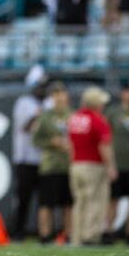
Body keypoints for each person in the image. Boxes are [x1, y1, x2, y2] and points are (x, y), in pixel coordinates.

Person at [68, 86, 118, 246]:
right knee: (95, 201)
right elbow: (105, 145)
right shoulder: (98, 120)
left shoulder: (74, 118)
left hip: (76, 164)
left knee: (79, 202)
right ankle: (90, 236)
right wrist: (110, 166)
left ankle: (76, 236)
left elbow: (69, 143)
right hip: (93, 165)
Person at [31, 81, 73, 244]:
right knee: (46, 203)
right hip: (50, 165)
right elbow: (35, 140)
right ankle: (45, 234)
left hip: (68, 164)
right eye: (55, 94)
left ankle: (68, 233)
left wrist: (71, 144)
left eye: (61, 93)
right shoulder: (44, 116)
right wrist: (51, 142)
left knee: (68, 203)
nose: (59, 97)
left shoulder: (72, 115)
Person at [11, 66, 48, 240]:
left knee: (45, 200)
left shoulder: (50, 103)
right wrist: (38, 115)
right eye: (40, 87)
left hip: (45, 159)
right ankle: (18, 232)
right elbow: (24, 128)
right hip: (25, 159)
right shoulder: (24, 103)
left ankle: (45, 233)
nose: (43, 90)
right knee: (23, 199)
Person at [104, 81, 129, 244]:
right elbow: (105, 139)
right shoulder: (113, 113)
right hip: (117, 164)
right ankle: (109, 231)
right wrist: (109, 164)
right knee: (112, 199)